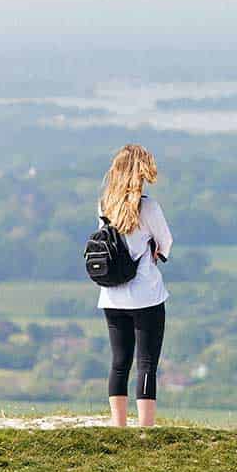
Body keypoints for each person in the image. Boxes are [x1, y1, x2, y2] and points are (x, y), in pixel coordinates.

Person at [96, 145, 173, 428]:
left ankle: (118, 425)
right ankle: (145, 428)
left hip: (112, 297)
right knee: (146, 364)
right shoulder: (148, 206)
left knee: (119, 362)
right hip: (146, 296)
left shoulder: (105, 205)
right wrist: (156, 251)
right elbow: (166, 242)